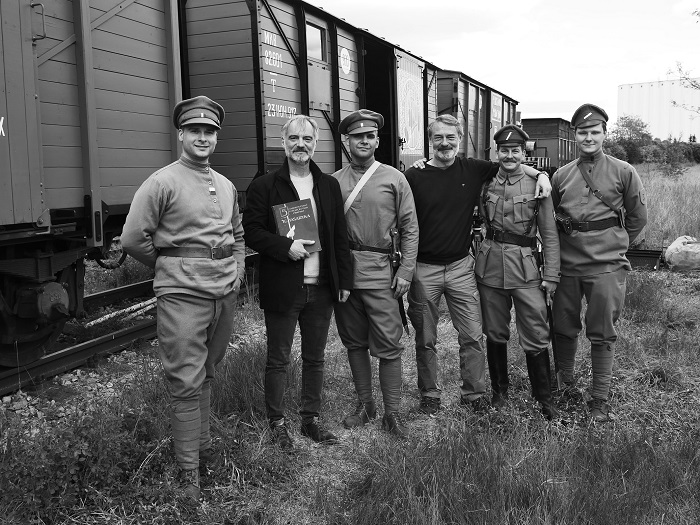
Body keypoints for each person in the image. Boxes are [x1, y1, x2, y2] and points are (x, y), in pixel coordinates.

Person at [121, 95, 244, 500]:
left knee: (207, 372)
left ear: (216, 137)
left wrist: (237, 270)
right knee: (185, 380)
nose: (203, 137)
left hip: (223, 291)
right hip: (183, 295)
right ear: (181, 135)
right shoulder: (162, 182)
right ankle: (189, 473)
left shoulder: (225, 185)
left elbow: (238, 235)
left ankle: (202, 449)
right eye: (195, 130)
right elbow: (132, 238)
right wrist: (171, 265)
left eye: (209, 131)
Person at [404, 114, 551, 415]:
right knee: (426, 338)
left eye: (451, 137)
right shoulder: (413, 176)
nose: (445, 143)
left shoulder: (473, 169)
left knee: (472, 335)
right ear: (429, 141)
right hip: (424, 269)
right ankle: (429, 393)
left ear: (460, 139)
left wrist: (541, 174)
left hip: (461, 267)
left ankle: (474, 394)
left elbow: (511, 163)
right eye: (438, 137)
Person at [243, 115, 352, 450]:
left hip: (321, 287)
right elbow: (252, 232)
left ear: (315, 143)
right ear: (283, 142)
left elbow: (339, 236)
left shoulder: (328, 186)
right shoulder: (265, 185)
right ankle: (277, 423)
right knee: (278, 359)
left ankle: (310, 420)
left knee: (315, 358)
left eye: (307, 139)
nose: (300, 145)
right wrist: (284, 246)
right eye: (293, 138)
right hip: (284, 286)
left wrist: (344, 280)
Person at [551, 103, 647, 422]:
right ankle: (565, 386)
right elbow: (553, 218)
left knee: (602, 331)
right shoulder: (562, 175)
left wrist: (614, 245)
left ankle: (600, 399)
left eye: (595, 132)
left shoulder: (624, 171)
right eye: (583, 132)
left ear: (605, 134)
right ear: (575, 135)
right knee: (563, 326)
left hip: (606, 266)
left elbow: (637, 217)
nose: (588, 137)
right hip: (568, 265)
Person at [333, 109, 419, 437]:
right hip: (346, 275)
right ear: (347, 141)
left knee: (388, 344)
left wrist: (406, 271)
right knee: (354, 342)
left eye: (370, 136)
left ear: (378, 141)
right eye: (358, 137)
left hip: (383, 273)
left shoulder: (395, 178)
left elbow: (410, 227)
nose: (364, 141)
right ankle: (365, 405)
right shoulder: (334, 182)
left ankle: (392, 413)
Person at [474, 125, 560, 419]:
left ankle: (543, 398)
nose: (509, 156)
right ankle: (499, 393)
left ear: (524, 154)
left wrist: (552, 275)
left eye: (515, 151)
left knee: (536, 331)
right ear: (496, 153)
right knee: (494, 331)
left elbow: (549, 235)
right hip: (490, 268)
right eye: (504, 150)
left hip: (526, 270)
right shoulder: (485, 183)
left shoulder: (538, 184)